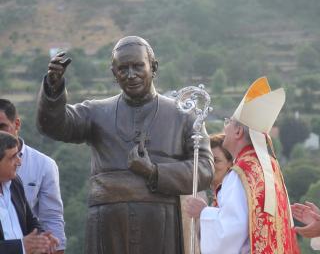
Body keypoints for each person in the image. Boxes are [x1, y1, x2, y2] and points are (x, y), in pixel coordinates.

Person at [36, 35, 213, 254]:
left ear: (153, 67)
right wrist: (53, 88)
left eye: (138, 66)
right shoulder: (96, 112)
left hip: (161, 223)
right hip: (107, 223)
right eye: (123, 68)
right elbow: (53, 126)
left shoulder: (184, 116)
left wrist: (155, 172)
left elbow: (205, 169)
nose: (131, 75)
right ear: (114, 73)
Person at [186, 77, 300, 253]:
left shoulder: (242, 173)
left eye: (228, 122)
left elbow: (231, 232)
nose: (225, 127)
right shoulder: (268, 168)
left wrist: (203, 213)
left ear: (238, 131)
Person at [0, 99, 66, 254]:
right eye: (12, 158)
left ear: (16, 125)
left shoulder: (16, 182)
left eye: (2, 127)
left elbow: (37, 221)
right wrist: (21, 247)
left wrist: (44, 239)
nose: (19, 162)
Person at [181, 133, 232, 253]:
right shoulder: (209, 192)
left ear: (231, 164)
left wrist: (204, 212)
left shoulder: (232, 193)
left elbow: (232, 229)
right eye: (208, 161)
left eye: (216, 160)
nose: (211, 166)